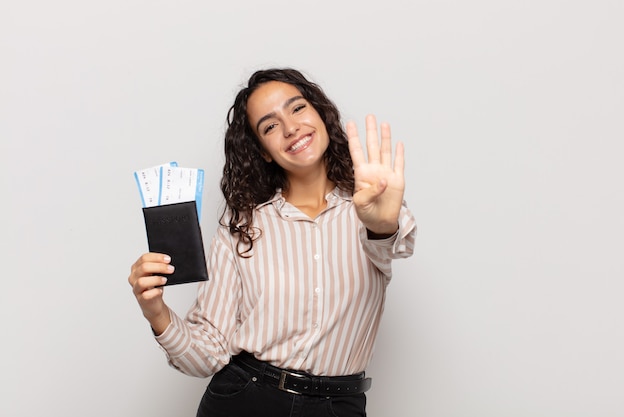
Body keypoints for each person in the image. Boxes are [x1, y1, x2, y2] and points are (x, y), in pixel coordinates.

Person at [128, 68, 417, 417]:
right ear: (263, 151)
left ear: (320, 114)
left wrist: (381, 223)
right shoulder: (241, 228)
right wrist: (155, 311)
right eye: (269, 126)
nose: (290, 127)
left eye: (297, 108)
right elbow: (208, 354)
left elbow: (393, 242)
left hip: (337, 406)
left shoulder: (371, 209)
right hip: (245, 400)